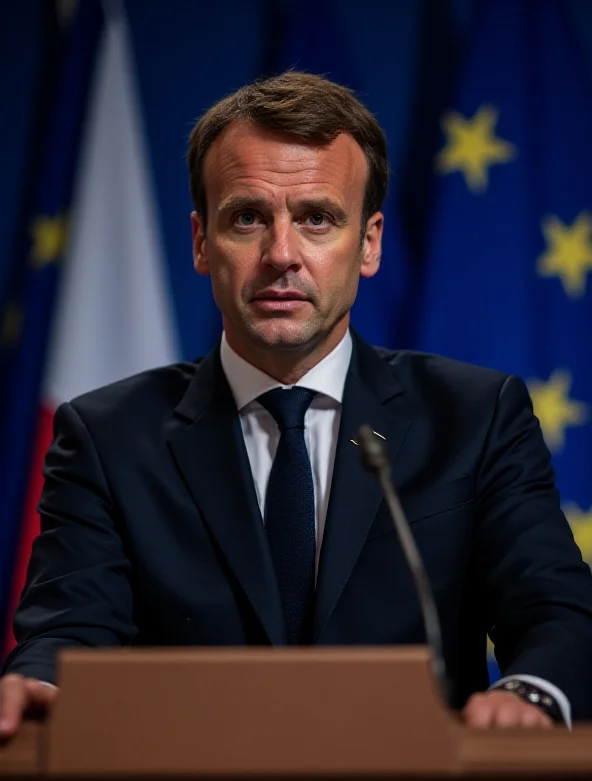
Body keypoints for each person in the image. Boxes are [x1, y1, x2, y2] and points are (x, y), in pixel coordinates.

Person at [2, 71, 592, 739]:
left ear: (368, 243)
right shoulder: (109, 437)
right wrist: (45, 688)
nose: (281, 255)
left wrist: (530, 695)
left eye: (317, 218)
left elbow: (555, 612)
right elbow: (71, 626)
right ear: (201, 242)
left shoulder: (477, 419)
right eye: (248, 217)